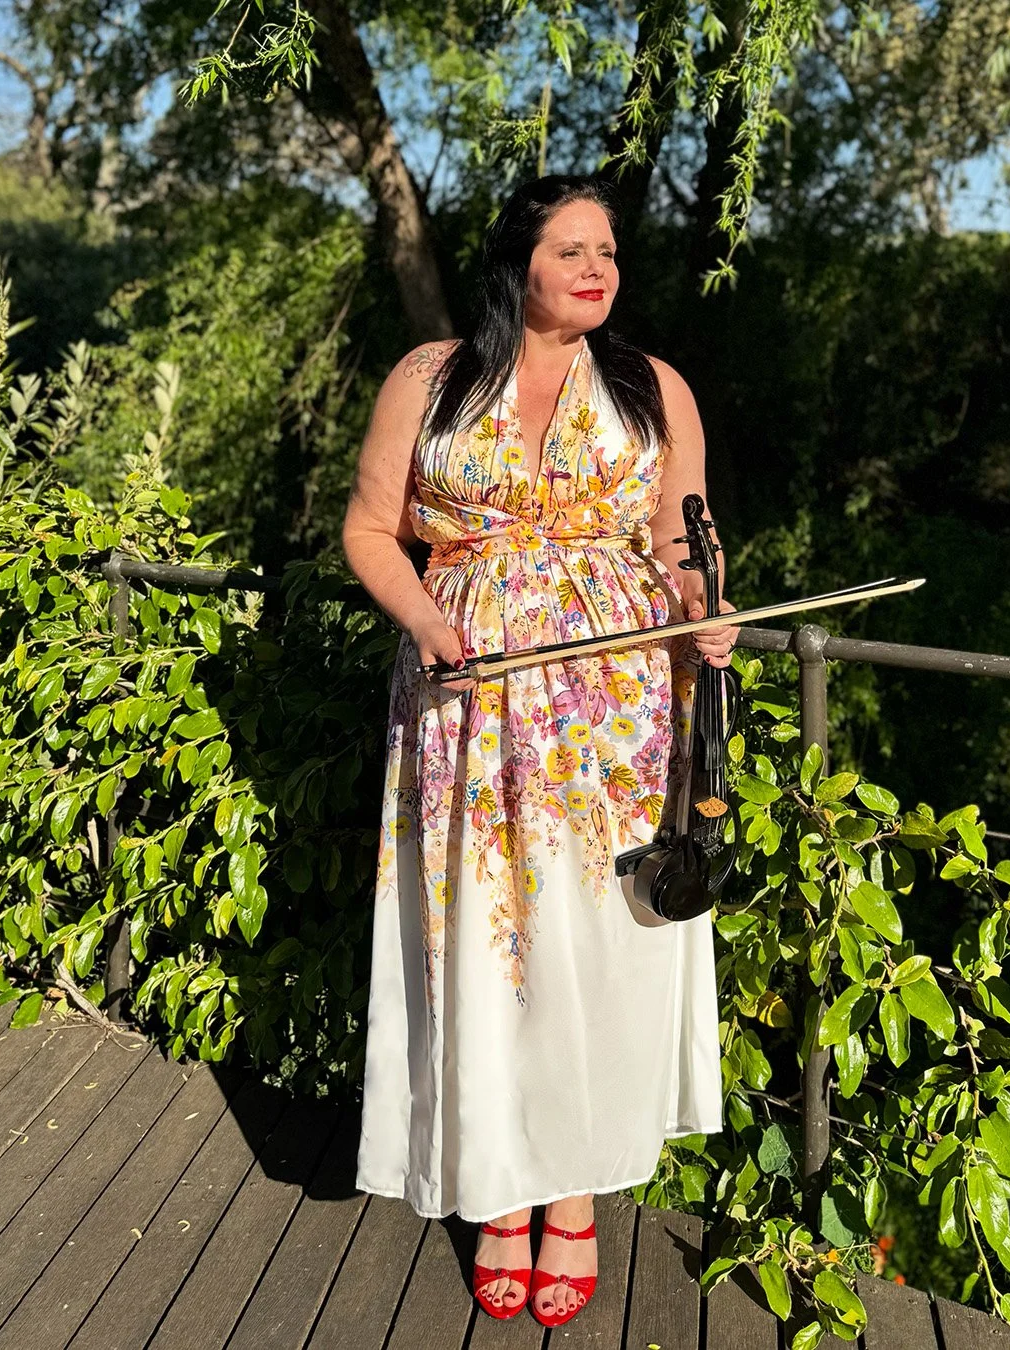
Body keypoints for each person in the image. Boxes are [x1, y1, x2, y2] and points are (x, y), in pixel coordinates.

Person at [341, 174, 739, 1327]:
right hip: (465, 704)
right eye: (571, 247)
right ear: (517, 261)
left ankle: (569, 1194)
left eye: (609, 250)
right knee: (484, 936)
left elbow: (683, 539)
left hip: (614, 713)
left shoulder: (653, 387)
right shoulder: (431, 377)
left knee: (590, 946)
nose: (597, 267)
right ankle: (498, 1185)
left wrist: (707, 608)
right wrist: (426, 622)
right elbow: (372, 529)